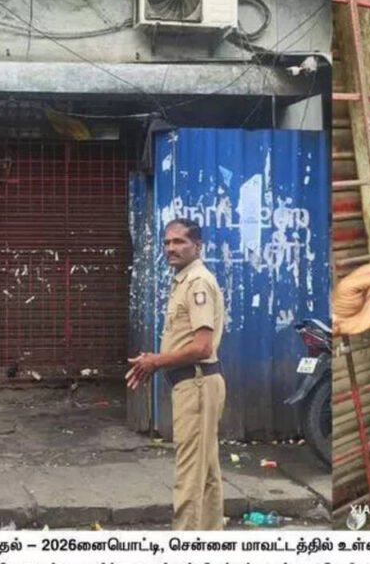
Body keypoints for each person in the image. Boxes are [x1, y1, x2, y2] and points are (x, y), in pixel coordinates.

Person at [126, 218, 226, 531]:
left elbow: (201, 345)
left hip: (196, 383)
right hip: (195, 383)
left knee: (189, 478)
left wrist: (156, 361)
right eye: (167, 242)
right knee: (206, 475)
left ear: (197, 246)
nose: (171, 248)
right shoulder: (184, 279)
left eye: (179, 242)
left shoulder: (196, 282)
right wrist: (156, 360)